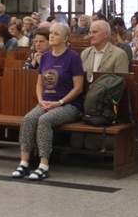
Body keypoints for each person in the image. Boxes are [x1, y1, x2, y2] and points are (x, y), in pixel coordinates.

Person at [11, 22, 84, 180]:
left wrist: (60, 102)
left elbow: (78, 88)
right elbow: (39, 83)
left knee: (44, 120)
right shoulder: (45, 57)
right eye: (51, 33)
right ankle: (24, 163)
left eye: (56, 34)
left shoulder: (73, 57)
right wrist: (41, 100)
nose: (51, 36)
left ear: (66, 38)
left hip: (69, 105)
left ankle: (43, 165)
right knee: (29, 119)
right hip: (46, 102)